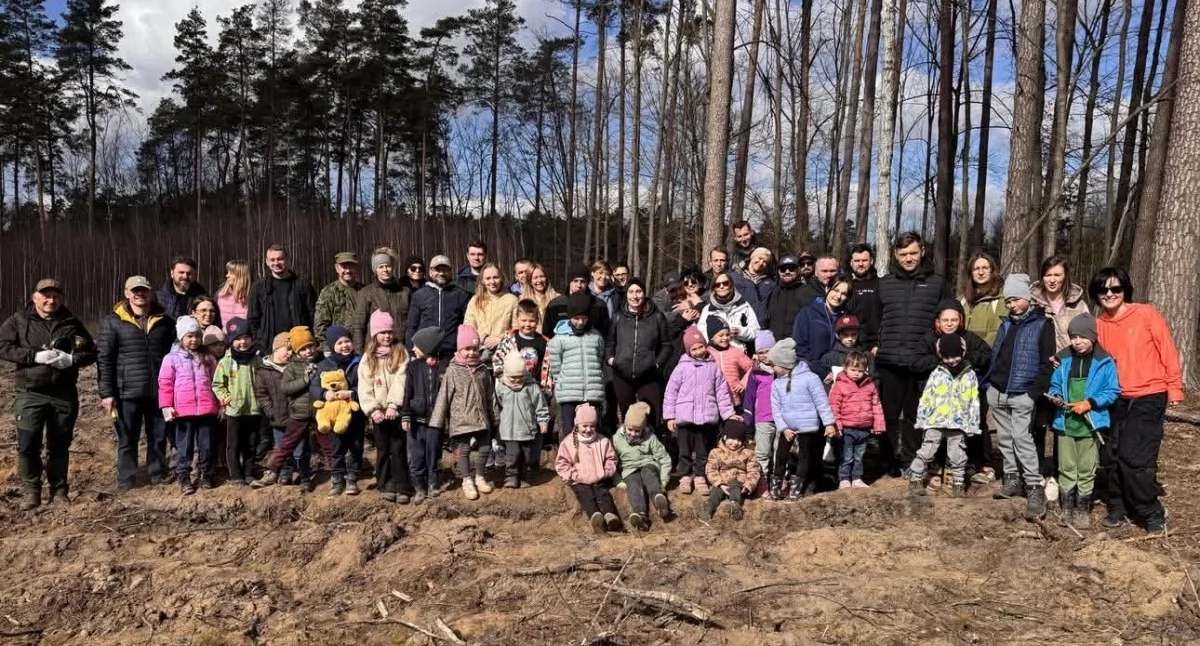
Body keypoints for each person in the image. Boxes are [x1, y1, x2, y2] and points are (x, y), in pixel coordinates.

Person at [1092, 267, 1181, 534]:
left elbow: (1167, 349)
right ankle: (1117, 506)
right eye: (1103, 290)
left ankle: (1150, 510)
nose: (1109, 294)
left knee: (1135, 456)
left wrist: (1174, 387)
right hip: (1117, 398)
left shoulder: (1145, 314)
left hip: (1149, 394)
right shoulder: (1099, 325)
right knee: (1111, 454)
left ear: (1125, 290)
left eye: (1115, 289)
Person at [0, 278, 96, 509]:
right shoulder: (19, 321)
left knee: (60, 444)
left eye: (55, 296)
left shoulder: (70, 322)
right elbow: (2, 346)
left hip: (63, 393)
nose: (50, 300)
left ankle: (59, 491)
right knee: (28, 443)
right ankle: (31, 492)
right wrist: (33, 356)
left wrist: (72, 359)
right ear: (35, 298)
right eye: (46, 295)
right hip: (30, 392)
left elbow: (91, 351)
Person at [875, 232, 953, 477]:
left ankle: (911, 459)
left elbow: (946, 321)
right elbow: (876, 319)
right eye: (903, 254)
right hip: (889, 360)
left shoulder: (937, 283)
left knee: (914, 416)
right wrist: (875, 344)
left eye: (912, 253)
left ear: (922, 252)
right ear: (896, 256)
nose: (908, 258)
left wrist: (938, 350)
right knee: (887, 415)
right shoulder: (885, 283)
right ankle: (888, 461)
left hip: (920, 362)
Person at [986, 274, 1056, 521]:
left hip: (1023, 393)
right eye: (1008, 301)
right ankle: (1012, 478)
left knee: (1022, 439)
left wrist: (1032, 394)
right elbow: (997, 355)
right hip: (999, 391)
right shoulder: (1006, 324)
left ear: (1027, 298)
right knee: (1005, 438)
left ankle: (1035, 488)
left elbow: (1047, 365)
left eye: (1016, 299)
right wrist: (990, 385)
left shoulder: (1042, 325)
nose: (1012, 305)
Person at [98, 275, 176, 492]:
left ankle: (157, 473)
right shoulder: (113, 322)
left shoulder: (165, 321)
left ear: (151, 293)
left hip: (159, 391)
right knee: (127, 438)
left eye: (143, 290)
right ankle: (126, 479)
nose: (139, 294)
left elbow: (174, 355)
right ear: (127, 293)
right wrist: (107, 393)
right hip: (127, 392)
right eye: (135, 291)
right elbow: (104, 358)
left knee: (158, 436)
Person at [1046, 315, 1120, 529]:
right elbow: (1055, 384)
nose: (1077, 341)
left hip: (1090, 424)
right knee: (1067, 466)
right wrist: (1056, 395)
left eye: (1082, 336)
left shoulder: (1104, 362)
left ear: (1093, 337)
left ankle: (1082, 509)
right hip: (1066, 422)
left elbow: (1113, 390)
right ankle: (1067, 508)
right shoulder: (1064, 361)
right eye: (1073, 337)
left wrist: (1090, 403)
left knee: (1087, 468)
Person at [911, 300, 993, 482]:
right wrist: (941, 359)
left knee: (966, 433)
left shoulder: (969, 338)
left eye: (953, 320)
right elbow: (915, 363)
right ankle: (935, 464)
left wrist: (965, 356)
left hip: (963, 398)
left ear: (961, 320)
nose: (949, 324)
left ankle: (972, 464)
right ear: (937, 322)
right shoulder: (929, 339)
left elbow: (987, 357)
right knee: (935, 434)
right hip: (937, 399)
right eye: (945, 320)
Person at [663, 326, 737, 496]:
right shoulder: (681, 367)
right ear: (688, 351)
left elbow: (722, 393)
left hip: (706, 417)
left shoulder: (714, 367)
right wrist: (670, 416)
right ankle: (685, 476)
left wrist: (729, 415)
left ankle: (700, 476)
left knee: (703, 450)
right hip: (685, 417)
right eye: (693, 349)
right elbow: (671, 392)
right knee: (684, 450)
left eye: (700, 347)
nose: (698, 351)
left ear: (706, 346)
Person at [907, 333, 980, 499]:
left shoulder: (970, 375)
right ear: (941, 356)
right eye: (947, 357)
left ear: (963, 353)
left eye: (955, 356)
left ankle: (958, 483)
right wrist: (922, 419)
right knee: (927, 450)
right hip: (936, 421)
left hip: (958, 422)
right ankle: (916, 477)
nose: (952, 360)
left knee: (958, 454)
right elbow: (927, 398)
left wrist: (972, 424)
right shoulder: (937, 373)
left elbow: (974, 401)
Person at [429, 325, 497, 500]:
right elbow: (443, 396)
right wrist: (437, 422)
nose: (472, 353)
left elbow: (490, 396)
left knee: (485, 447)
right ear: (460, 349)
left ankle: (480, 476)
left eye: (475, 349)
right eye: (467, 349)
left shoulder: (483, 370)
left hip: (481, 416)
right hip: (461, 418)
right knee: (464, 449)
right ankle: (467, 480)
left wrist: (494, 416)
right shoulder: (453, 370)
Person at [252, 326, 322, 491]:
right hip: (279, 418)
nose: (289, 354)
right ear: (276, 348)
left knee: (300, 450)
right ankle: (285, 475)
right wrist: (271, 411)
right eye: (287, 350)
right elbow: (262, 395)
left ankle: (304, 475)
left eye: (292, 351)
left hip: (297, 416)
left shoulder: (298, 367)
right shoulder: (265, 371)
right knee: (283, 447)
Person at [159, 316, 221, 494]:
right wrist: (166, 405)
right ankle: (184, 475)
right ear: (181, 337)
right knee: (184, 446)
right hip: (183, 411)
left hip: (207, 409)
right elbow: (165, 383)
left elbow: (216, 381)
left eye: (197, 336)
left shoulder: (207, 357)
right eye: (189, 336)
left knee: (207, 445)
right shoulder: (171, 359)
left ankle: (206, 474)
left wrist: (220, 403)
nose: (194, 340)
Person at [769, 338, 837, 500]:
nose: (772, 368)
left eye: (774, 365)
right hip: (787, 428)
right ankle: (776, 488)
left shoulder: (811, 378)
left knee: (805, 457)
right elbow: (776, 409)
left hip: (807, 426)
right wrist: (783, 428)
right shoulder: (776, 384)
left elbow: (822, 402)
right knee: (780, 456)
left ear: (784, 363)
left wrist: (828, 424)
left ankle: (797, 489)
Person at [359, 311, 413, 503]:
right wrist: (373, 410)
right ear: (375, 334)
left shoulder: (401, 352)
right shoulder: (368, 358)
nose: (387, 336)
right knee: (382, 448)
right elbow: (364, 386)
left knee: (398, 448)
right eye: (382, 332)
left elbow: (401, 380)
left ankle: (402, 485)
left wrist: (393, 405)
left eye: (389, 332)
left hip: (394, 412)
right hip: (378, 413)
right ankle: (385, 483)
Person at [310, 325, 366, 496]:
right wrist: (324, 393)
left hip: (355, 414)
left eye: (347, 341)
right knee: (337, 448)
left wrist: (351, 393)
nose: (344, 345)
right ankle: (337, 477)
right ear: (332, 346)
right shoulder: (324, 365)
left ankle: (352, 478)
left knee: (356, 447)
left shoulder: (361, 362)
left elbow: (366, 385)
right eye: (340, 343)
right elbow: (313, 386)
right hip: (334, 416)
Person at [607, 278, 672, 421]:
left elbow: (667, 345)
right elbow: (610, 343)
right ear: (626, 294)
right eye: (631, 292)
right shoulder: (618, 317)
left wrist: (656, 363)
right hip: (622, 374)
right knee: (627, 416)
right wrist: (612, 360)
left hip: (649, 375)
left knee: (652, 415)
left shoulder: (656, 317)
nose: (635, 296)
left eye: (638, 291)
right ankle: (628, 443)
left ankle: (653, 442)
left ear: (644, 293)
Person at [555, 403, 622, 534]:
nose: (588, 429)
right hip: (579, 479)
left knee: (603, 494)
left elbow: (611, 458)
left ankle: (610, 516)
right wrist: (573, 476)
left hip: (599, 477)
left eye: (592, 426)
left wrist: (607, 471)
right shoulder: (568, 442)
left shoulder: (603, 441)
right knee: (586, 496)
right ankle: (595, 517)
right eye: (584, 426)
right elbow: (562, 463)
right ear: (577, 425)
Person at [548, 291, 606, 436]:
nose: (580, 322)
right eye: (576, 318)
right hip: (569, 393)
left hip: (592, 391)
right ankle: (569, 457)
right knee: (569, 430)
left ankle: (592, 457)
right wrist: (560, 383)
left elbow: (598, 359)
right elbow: (556, 366)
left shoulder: (596, 336)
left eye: (584, 318)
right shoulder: (559, 339)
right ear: (570, 316)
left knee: (593, 429)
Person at [212, 318, 260, 486]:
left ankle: (248, 473)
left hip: (254, 410)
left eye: (246, 337)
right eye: (238, 338)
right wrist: (225, 397)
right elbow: (217, 384)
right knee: (233, 444)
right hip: (234, 411)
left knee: (251, 444)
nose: (243, 342)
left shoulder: (257, 360)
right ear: (232, 341)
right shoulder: (226, 361)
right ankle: (236, 475)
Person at [403, 327, 449, 503]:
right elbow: (408, 393)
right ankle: (419, 488)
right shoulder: (413, 367)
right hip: (416, 421)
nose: (413, 349)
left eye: (416, 346)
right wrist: (406, 415)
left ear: (428, 347)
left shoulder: (443, 367)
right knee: (417, 455)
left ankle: (433, 484)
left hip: (435, 422)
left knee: (433, 453)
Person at [613, 402, 673, 531]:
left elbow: (664, 458)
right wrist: (617, 479)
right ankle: (641, 517)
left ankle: (659, 500)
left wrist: (663, 481)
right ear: (624, 426)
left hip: (648, 464)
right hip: (629, 469)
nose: (633, 433)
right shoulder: (616, 440)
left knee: (649, 475)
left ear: (643, 428)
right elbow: (611, 461)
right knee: (634, 485)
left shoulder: (650, 438)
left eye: (637, 431)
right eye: (630, 430)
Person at [828, 352, 885, 489]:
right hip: (847, 428)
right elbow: (834, 406)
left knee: (859, 456)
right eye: (853, 370)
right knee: (847, 456)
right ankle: (844, 478)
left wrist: (878, 425)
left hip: (864, 428)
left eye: (860, 371)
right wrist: (837, 425)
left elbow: (876, 405)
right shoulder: (840, 385)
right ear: (845, 368)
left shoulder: (870, 386)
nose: (856, 374)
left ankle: (857, 478)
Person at [495, 353, 550, 488]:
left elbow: (540, 405)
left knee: (527, 455)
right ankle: (511, 477)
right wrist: (496, 420)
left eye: (520, 376)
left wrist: (543, 421)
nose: (517, 380)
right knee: (513, 454)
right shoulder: (501, 387)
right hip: (509, 430)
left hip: (527, 428)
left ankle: (524, 477)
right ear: (506, 374)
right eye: (513, 377)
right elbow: (497, 405)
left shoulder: (531, 387)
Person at [248, 245, 317, 352]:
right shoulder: (258, 287)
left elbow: (313, 315)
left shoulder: (302, 285)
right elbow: (253, 318)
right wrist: (258, 341)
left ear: (287, 259)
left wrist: (311, 338)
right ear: (266, 262)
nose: (276, 263)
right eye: (272, 260)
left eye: (280, 259)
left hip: (299, 345)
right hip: (268, 345)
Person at [407, 254, 471, 358]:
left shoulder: (461, 295)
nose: (441, 273)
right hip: (424, 353)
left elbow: (466, 325)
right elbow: (411, 325)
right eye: (437, 270)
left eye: (445, 270)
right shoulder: (419, 294)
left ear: (450, 271)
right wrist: (411, 350)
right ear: (430, 272)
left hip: (451, 354)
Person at [702, 421, 761, 520]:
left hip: (739, 482)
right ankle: (709, 508)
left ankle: (735, 505)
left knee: (735, 486)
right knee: (716, 491)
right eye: (732, 438)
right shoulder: (716, 452)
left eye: (739, 440)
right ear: (725, 437)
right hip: (722, 481)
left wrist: (747, 486)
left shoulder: (748, 453)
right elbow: (711, 470)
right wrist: (719, 483)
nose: (735, 443)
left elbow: (754, 472)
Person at [354, 248, 411, 350]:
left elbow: (411, 323)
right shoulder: (366, 293)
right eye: (381, 267)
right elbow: (359, 326)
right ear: (375, 270)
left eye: (388, 266)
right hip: (375, 350)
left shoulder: (405, 292)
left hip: (400, 349)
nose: (385, 270)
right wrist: (358, 354)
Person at [1031, 255, 1090, 352]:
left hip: (1071, 363)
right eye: (1048, 275)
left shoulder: (1079, 306)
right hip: (1040, 365)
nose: (1052, 280)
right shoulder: (1032, 305)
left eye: (1057, 275)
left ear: (1065, 276)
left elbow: (1088, 339)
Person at [743, 331, 777, 489]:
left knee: (779, 452)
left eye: (767, 351)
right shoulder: (756, 372)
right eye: (760, 352)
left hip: (782, 418)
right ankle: (762, 483)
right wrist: (748, 418)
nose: (764, 355)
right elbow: (749, 396)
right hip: (763, 417)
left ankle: (777, 481)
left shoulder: (783, 370)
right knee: (762, 453)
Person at [793, 275, 853, 365]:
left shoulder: (847, 317)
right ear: (827, 288)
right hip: (811, 369)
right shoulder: (808, 312)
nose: (838, 296)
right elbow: (800, 346)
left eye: (844, 293)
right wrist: (819, 370)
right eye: (835, 290)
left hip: (839, 371)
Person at [465, 263, 518, 356]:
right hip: (478, 351)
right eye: (488, 278)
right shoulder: (475, 300)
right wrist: (484, 338)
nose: (492, 281)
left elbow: (516, 327)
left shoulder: (512, 300)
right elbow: (469, 326)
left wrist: (499, 339)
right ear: (482, 281)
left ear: (501, 278)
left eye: (496, 277)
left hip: (504, 351)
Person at [698, 272, 759, 351]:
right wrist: (715, 340)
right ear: (714, 288)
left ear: (731, 285)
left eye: (725, 283)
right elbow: (702, 333)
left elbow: (756, 331)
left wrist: (740, 332)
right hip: (717, 354)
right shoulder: (708, 309)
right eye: (717, 285)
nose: (721, 286)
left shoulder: (743, 306)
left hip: (739, 353)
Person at [314, 251, 363, 348]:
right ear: (337, 268)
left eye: (351, 266)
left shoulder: (364, 291)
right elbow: (320, 324)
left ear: (356, 268)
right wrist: (326, 347)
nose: (348, 270)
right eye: (344, 267)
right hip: (338, 347)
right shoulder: (328, 292)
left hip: (360, 346)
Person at [706, 317, 753, 407]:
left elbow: (752, 367)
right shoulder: (707, 352)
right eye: (721, 335)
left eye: (727, 335)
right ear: (712, 337)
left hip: (733, 400)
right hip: (713, 401)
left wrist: (743, 383)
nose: (725, 338)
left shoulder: (736, 352)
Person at [960, 251, 1004, 347]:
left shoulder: (1000, 300)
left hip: (986, 355)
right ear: (971, 273)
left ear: (992, 271)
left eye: (985, 268)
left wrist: (976, 349)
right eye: (976, 269)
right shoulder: (961, 301)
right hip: (959, 356)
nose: (980, 272)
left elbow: (997, 331)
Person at [817, 314, 876, 382]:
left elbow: (874, 379)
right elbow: (822, 382)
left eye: (853, 334)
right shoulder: (829, 358)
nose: (850, 339)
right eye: (845, 335)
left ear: (858, 334)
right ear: (837, 336)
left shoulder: (867, 355)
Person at [767, 255, 809, 341]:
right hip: (774, 344)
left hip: (797, 345)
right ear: (779, 271)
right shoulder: (773, 291)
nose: (787, 272)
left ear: (798, 271)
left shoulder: (806, 291)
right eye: (783, 269)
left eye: (791, 268)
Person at [848, 244, 882, 349]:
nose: (861, 264)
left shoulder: (881, 284)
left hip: (875, 345)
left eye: (864, 260)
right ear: (851, 262)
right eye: (857, 261)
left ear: (871, 261)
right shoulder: (845, 286)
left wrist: (880, 343)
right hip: (850, 342)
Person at [733, 248, 776, 328]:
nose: (761, 263)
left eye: (765, 262)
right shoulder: (735, 277)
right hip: (740, 327)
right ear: (752, 257)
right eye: (760, 258)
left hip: (761, 328)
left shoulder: (770, 284)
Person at [157, 256, 209, 321]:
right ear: (172, 273)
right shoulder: (159, 298)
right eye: (181, 272)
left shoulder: (203, 296)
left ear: (194, 275)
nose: (185, 276)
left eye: (189, 273)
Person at [217, 260, 251, 325]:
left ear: (240, 276)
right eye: (227, 272)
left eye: (231, 273)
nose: (227, 275)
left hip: (244, 334)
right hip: (222, 333)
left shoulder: (251, 297)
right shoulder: (221, 295)